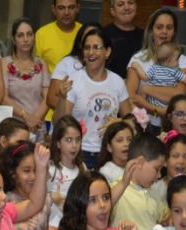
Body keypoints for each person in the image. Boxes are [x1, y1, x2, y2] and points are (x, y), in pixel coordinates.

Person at [54, 27, 131, 170]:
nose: (91, 52)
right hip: (79, 152)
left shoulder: (117, 82)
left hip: (108, 153)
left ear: (107, 52)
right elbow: (59, 123)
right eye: (87, 48)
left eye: (96, 47)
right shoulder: (74, 80)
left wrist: (119, 121)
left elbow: (131, 120)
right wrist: (62, 98)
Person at [126, 8, 186, 134]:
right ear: (151, 31)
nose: (164, 32)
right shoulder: (138, 59)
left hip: (172, 128)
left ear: (174, 32)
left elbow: (179, 95)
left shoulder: (182, 60)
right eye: (159, 27)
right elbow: (131, 98)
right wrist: (162, 112)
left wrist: (146, 92)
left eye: (169, 27)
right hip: (143, 126)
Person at [2, 18, 50, 141]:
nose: (25, 39)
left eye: (29, 34)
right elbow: (3, 97)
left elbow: (47, 98)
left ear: (34, 37)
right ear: (14, 39)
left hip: (37, 126)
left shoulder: (42, 63)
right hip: (13, 128)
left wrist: (34, 120)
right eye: (20, 35)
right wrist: (26, 116)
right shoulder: (4, 64)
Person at [130, 42, 186, 117]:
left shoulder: (154, 68)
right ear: (168, 60)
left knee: (143, 93)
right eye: (177, 60)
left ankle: (144, 111)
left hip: (153, 106)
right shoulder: (174, 71)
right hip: (167, 105)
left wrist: (137, 67)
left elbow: (144, 77)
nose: (178, 62)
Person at [35, 0, 82, 74]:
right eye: (61, 8)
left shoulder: (85, 32)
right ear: (54, 10)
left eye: (71, 7)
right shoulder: (41, 34)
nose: (66, 12)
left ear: (77, 8)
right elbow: (35, 67)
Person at [103, 0, 143, 80]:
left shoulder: (145, 36)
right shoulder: (103, 34)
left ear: (136, 7)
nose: (126, 7)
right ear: (112, 11)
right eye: (120, 4)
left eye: (130, 3)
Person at [98, 120, 134, 185]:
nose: (126, 144)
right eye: (120, 140)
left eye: (129, 140)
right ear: (109, 147)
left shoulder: (137, 166)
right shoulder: (106, 171)